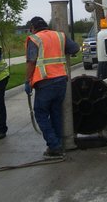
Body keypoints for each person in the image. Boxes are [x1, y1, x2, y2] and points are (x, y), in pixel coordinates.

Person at [25, 16, 79, 157]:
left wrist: (27, 81)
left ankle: (54, 145)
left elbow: (31, 62)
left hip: (45, 82)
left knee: (41, 112)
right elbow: (75, 48)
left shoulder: (35, 39)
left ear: (33, 28)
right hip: (61, 80)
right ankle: (59, 144)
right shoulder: (59, 36)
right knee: (56, 113)